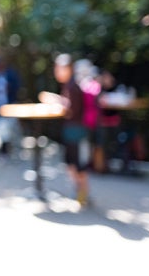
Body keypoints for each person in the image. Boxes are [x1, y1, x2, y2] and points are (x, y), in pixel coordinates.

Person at [53, 53, 90, 206]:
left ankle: (83, 194)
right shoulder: (69, 85)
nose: (57, 71)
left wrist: (57, 104)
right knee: (71, 163)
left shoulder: (73, 86)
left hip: (77, 131)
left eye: (60, 68)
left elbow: (71, 110)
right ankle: (80, 192)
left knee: (78, 164)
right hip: (71, 131)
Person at [0, 55, 21, 156]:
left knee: (12, 127)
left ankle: (12, 147)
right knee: (2, 126)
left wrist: (10, 88)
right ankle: (4, 149)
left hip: (10, 105)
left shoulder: (11, 74)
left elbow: (17, 88)